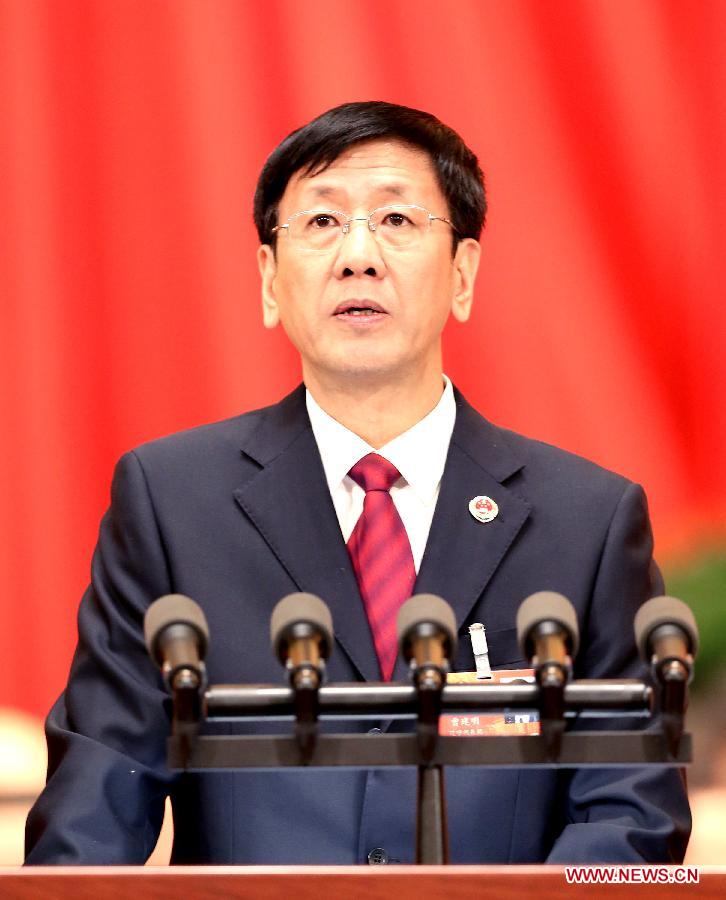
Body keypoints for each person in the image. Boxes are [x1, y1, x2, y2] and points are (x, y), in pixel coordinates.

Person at [25, 101, 690, 865]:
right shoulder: (172, 505)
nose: (358, 255)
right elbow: (94, 812)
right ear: (270, 281)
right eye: (322, 223)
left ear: (464, 275)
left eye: (398, 220)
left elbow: (628, 816)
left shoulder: (588, 522)